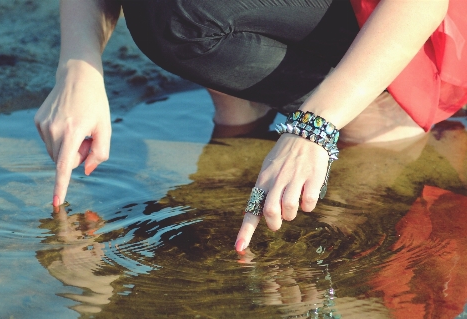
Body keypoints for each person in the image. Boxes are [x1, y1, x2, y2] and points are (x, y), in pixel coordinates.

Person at [34, 0, 467, 252]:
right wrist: (78, 68)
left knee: (178, 13)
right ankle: (242, 102)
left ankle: (380, 105)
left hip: (404, 25)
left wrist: (313, 126)